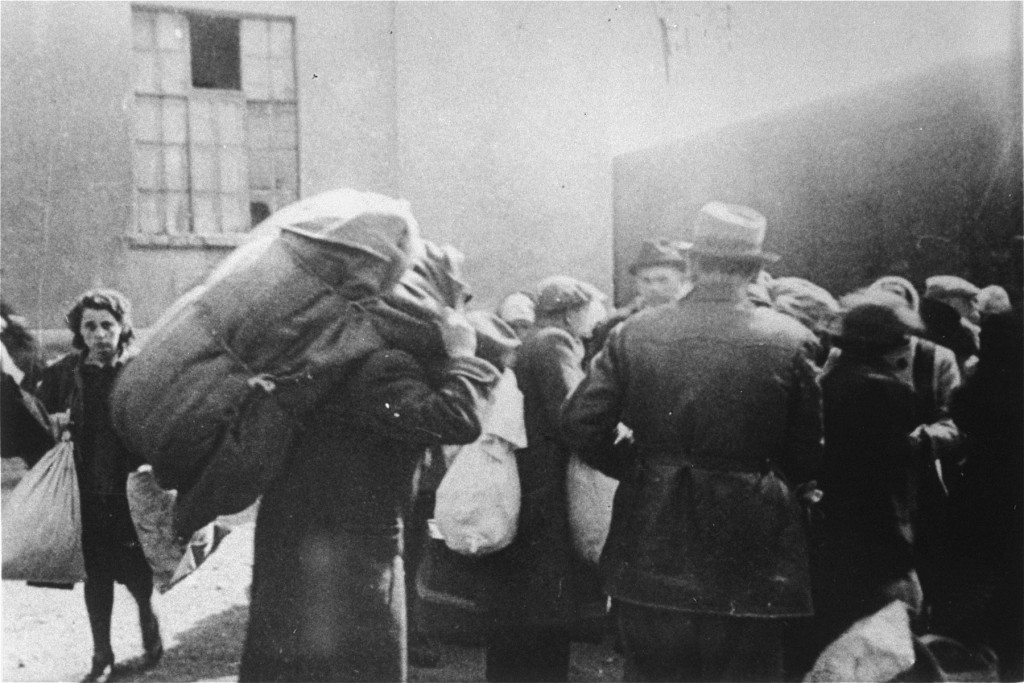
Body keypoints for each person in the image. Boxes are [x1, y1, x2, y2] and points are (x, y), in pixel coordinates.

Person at [562, 202, 823, 682]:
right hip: (752, 540)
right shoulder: (793, 339)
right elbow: (808, 453)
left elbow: (581, 423)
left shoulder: (633, 333)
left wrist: (638, 464)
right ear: (756, 268)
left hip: (651, 530)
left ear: (694, 265)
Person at [238, 228, 500, 682]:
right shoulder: (383, 363)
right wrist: (463, 357)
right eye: (457, 298)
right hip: (352, 554)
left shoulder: (333, 348)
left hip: (304, 538)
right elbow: (452, 419)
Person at [482, 275, 608, 683]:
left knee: (515, 601)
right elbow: (573, 415)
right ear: (573, 311)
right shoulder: (557, 341)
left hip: (522, 478)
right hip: (546, 485)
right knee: (547, 601)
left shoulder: (532, 338)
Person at [35, 289, 162, 682]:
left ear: (122, 327)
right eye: (89, 326)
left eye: (107, 325)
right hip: (87, 490)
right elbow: (37, 418)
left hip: (129, 490)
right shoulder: (63, 374)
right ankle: (101, 654)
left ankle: (150, 633)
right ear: (79, 331)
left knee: (138, 575)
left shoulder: (140, 370)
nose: (99, 334)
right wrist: (53, 425)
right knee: (96, 575)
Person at [812, 291, 930, 659]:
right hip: (878, 545)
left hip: (831, 536)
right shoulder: (889, 391)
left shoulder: (829, 382)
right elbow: (890, 484)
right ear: (891, 343)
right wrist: (902, 557)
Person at [587, 240, 691, 361]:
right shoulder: (618, 323)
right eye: (646, 280)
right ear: (636, 284)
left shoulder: (691, 321)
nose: (654, 288)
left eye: (663, 280)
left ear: (682, 281)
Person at [920, 275, 981, 373]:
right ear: (948, 301)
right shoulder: (960, 329)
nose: (973, 306)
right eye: (966, 300)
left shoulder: (917, 322)